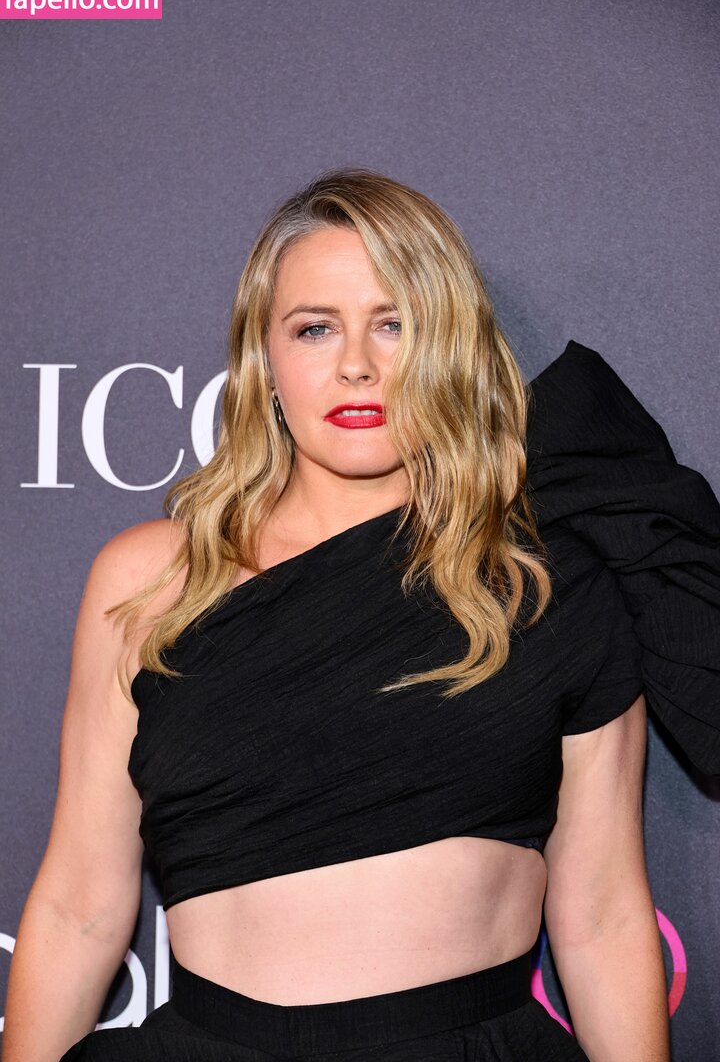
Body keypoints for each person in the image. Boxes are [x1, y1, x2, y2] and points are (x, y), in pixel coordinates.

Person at [4, 168, 719, 1062]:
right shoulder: (151, 579)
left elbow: (604, 914)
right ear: (263, 361)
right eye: (315, 328)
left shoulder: (545, 578)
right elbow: (79, 905)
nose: (356, 365)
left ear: (449, 348)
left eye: (395, 324)